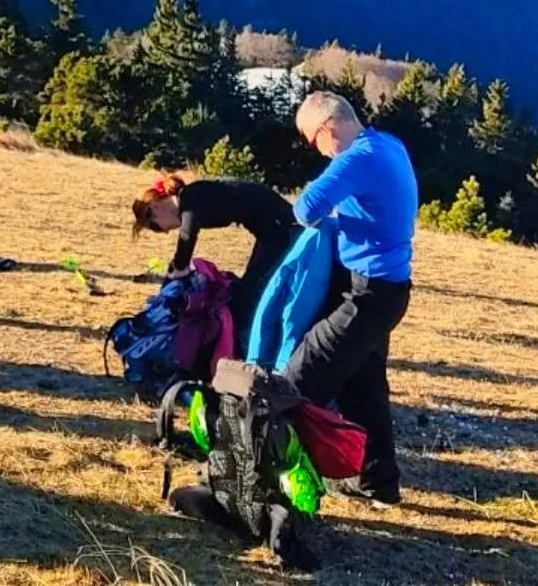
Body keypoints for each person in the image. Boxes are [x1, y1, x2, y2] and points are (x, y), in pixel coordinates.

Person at [281, 91, 416, 507]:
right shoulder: (389, 144)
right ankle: (379, 484)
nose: (317, 152)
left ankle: (279, 475)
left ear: (327, 128)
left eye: (311, 141)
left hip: (369, 294)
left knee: (300, 376)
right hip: (390, 288)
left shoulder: (355, 158)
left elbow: (306, 208)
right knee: (364, 387)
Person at [132, 175, 303, 334]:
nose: (165, 232)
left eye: (155, 227)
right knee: (245, 293)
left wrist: (180, 266)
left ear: (154, 208)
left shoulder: (190, 197)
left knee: (251, 296)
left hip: (282, 230)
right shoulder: (192, 197)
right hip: (269, 233)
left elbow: (187, 235)